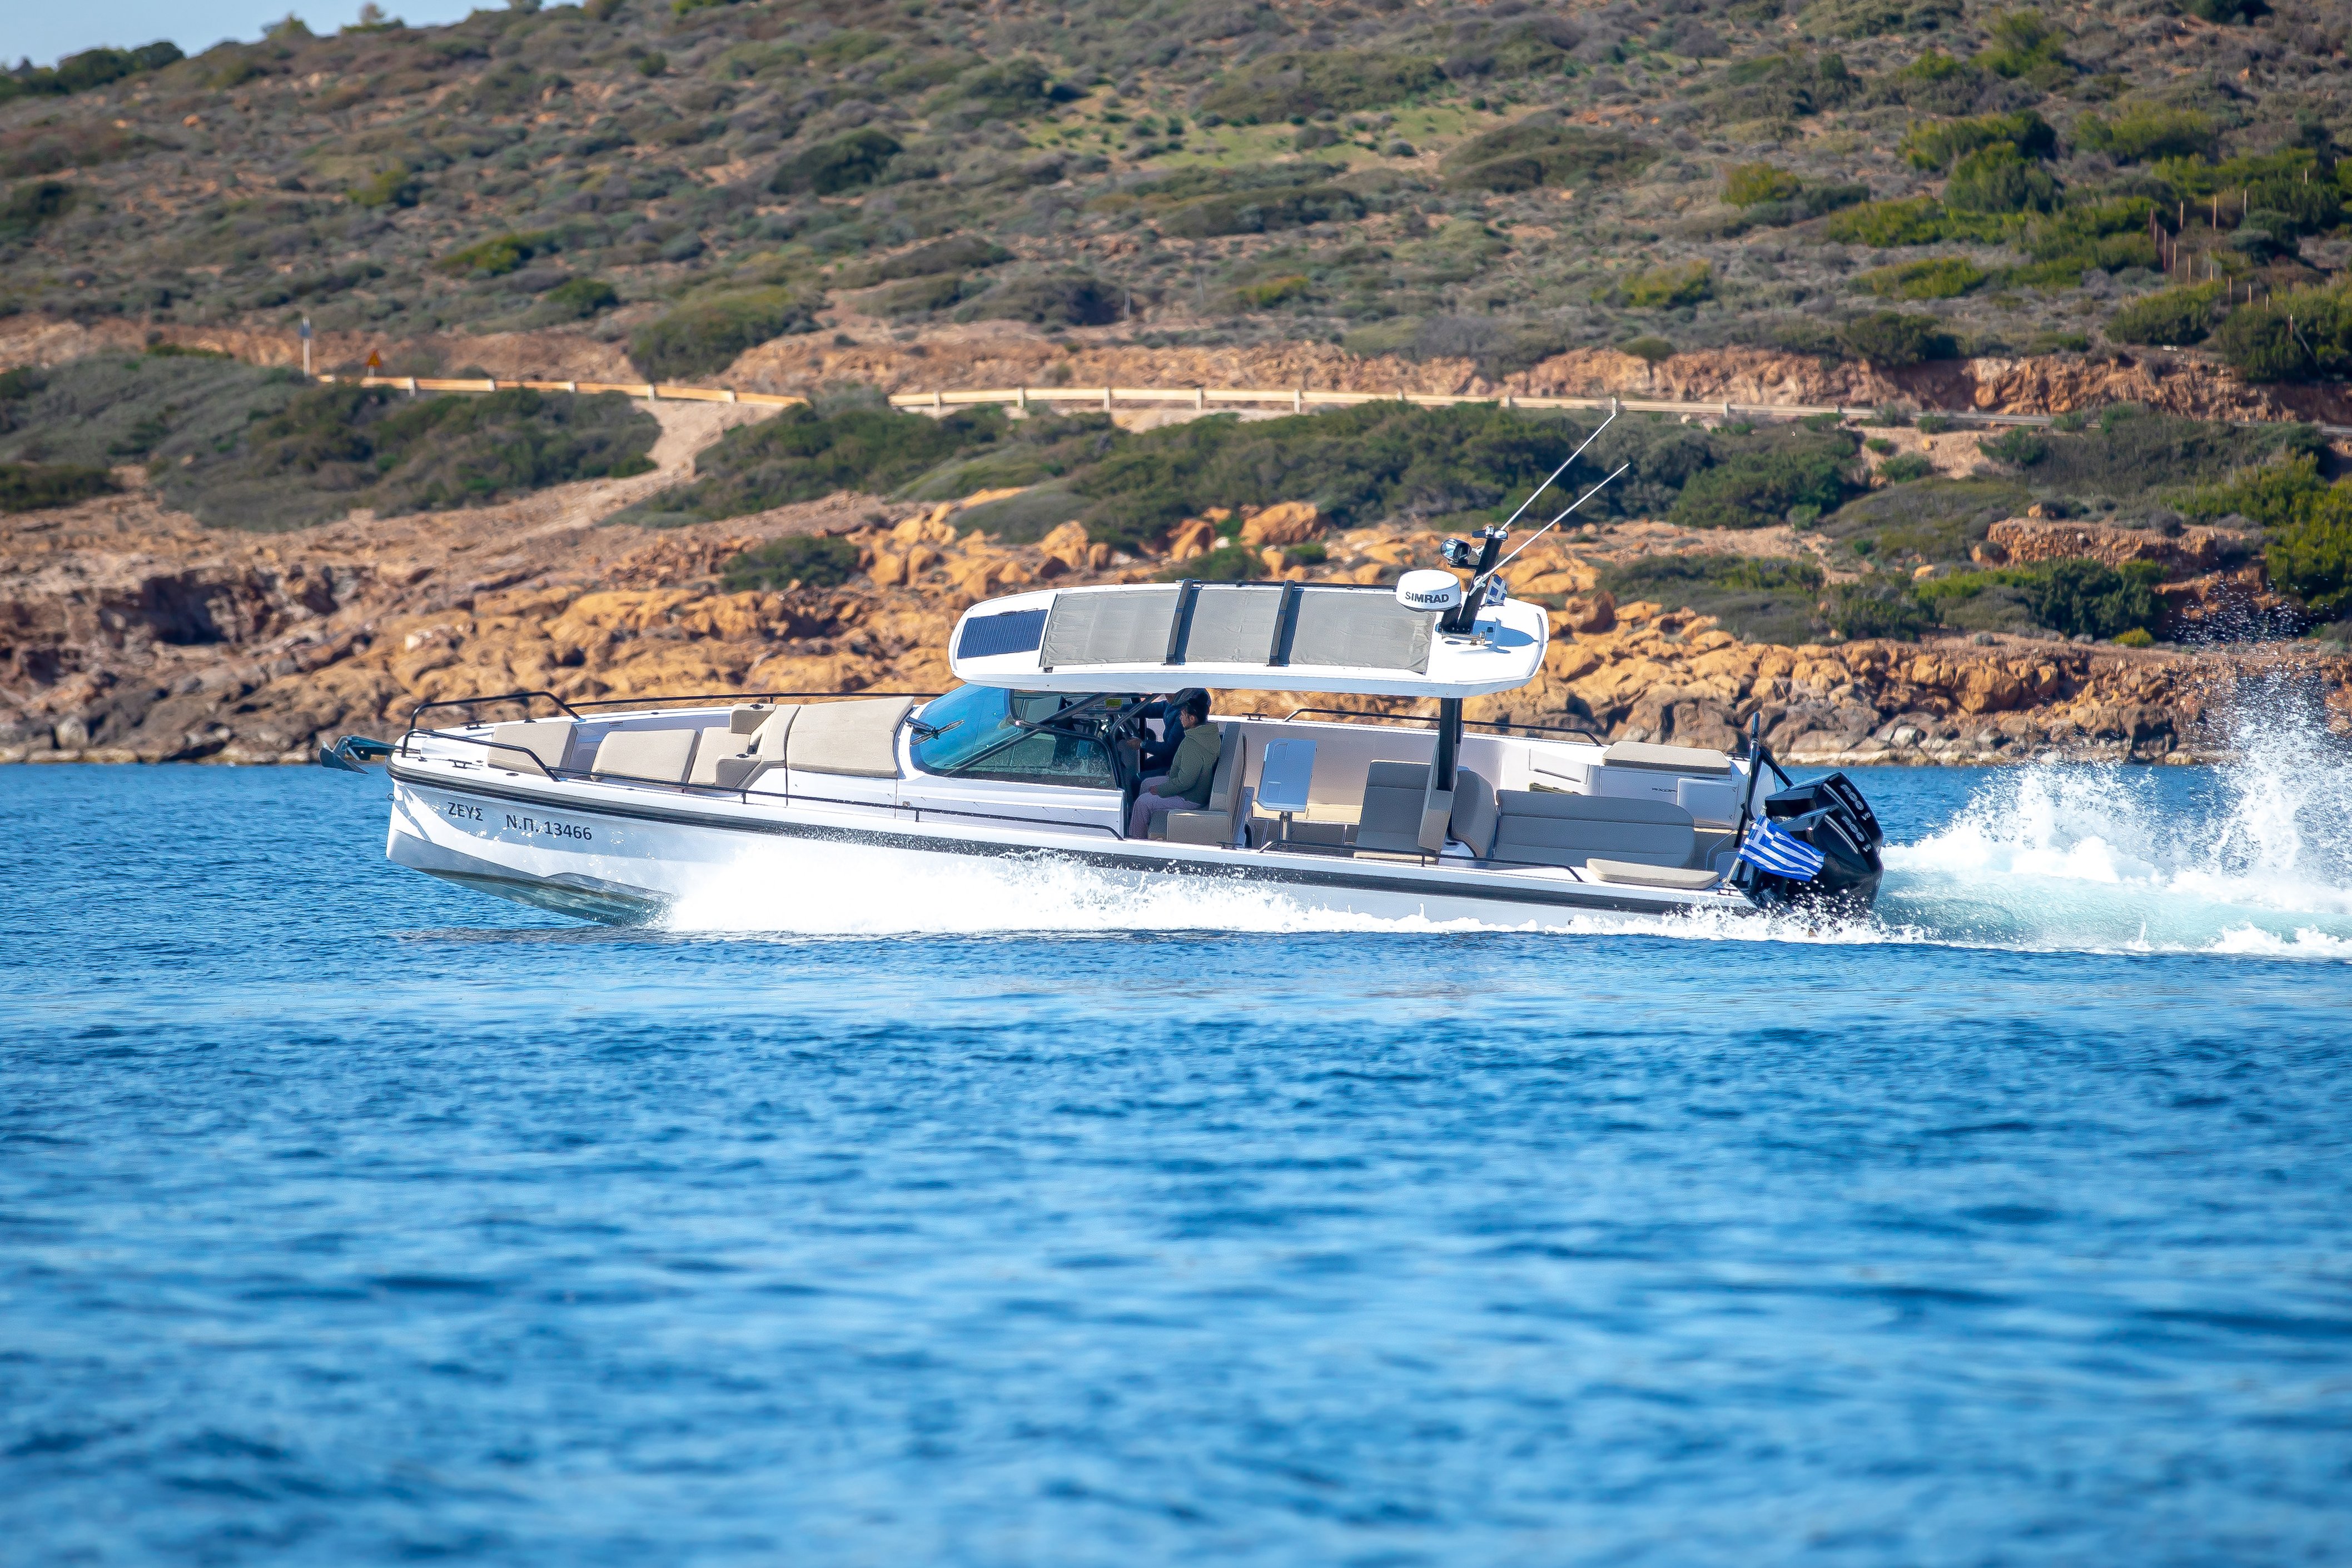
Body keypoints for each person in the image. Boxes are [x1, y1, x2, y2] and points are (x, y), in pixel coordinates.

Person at [1127, 690, 1220, 839]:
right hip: (1191, 787)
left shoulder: (1193, 745)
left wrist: (1161, 790)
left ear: (1192, 719)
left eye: (1183, 715)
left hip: (1190, 797)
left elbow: (1186, 782)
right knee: (1145, 784)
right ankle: (1142, 824)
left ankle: (1137, 839)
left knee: (1142, 803)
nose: (1180, 717)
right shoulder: (1202, 734)